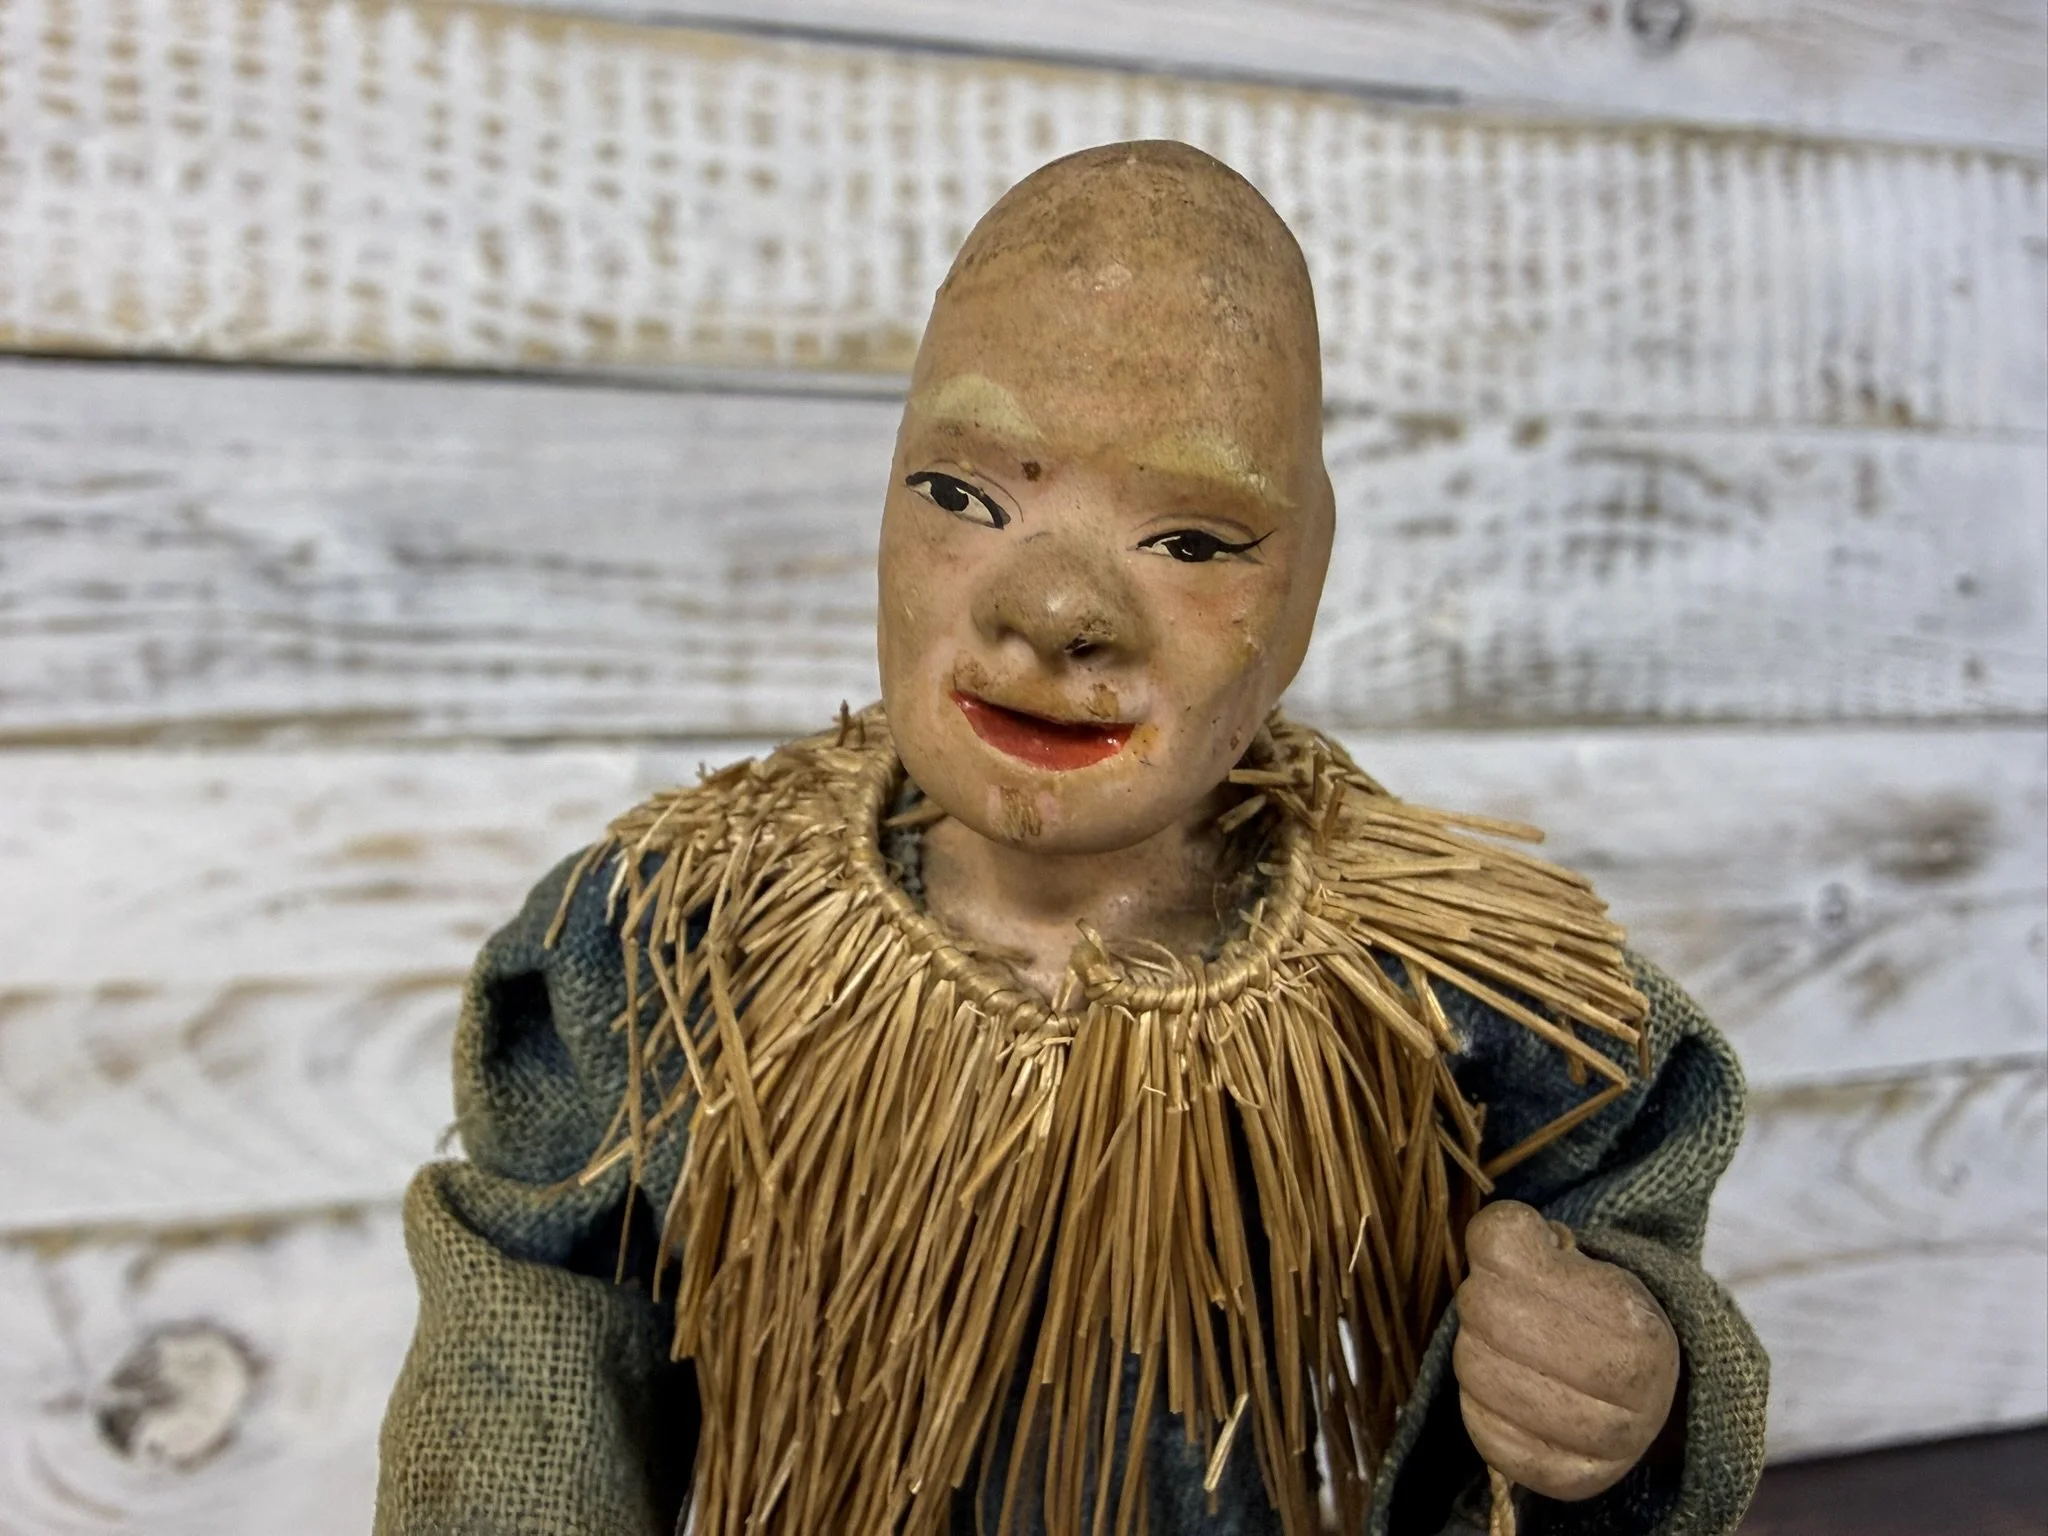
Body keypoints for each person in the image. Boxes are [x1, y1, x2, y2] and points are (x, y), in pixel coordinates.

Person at [375, 141, 1766, 1536]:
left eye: (1195, 540)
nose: (1053, 611)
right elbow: (534, 1310)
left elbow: (1624, 1220)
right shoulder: (672, 943)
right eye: (966, 497)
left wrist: (1631, 1383)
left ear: (1307, 593)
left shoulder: (1451, 987)